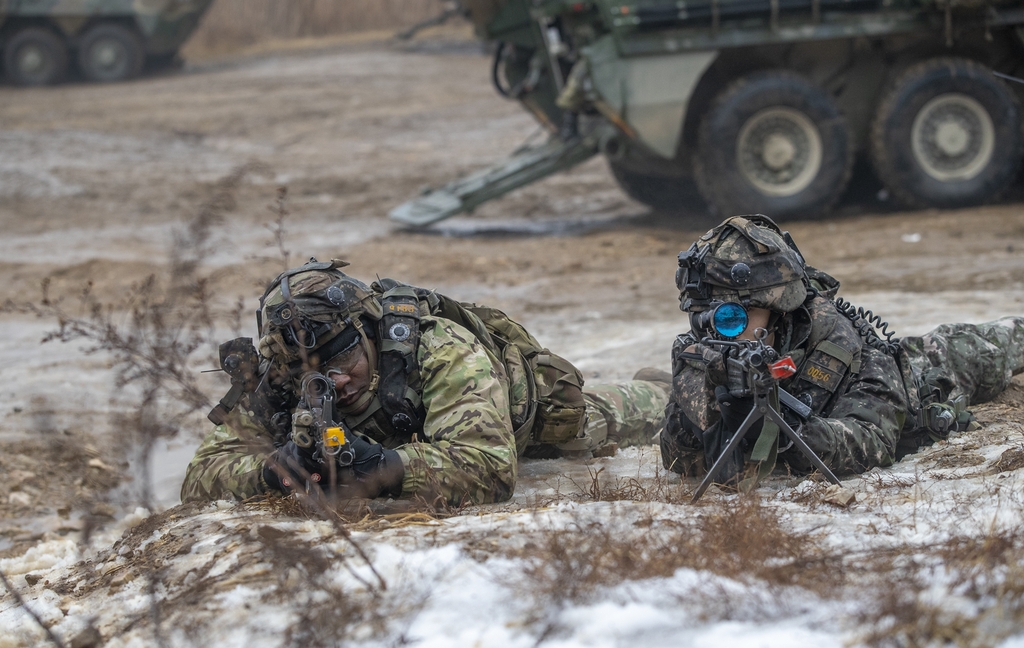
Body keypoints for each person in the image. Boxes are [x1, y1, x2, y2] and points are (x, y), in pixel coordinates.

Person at [181, 259, 670, 505]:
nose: (334, 382)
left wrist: (385, 467)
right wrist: (271, 471)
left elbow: (491, 467)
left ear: (367, 330)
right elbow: (201, 475)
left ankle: (661, 388)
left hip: (531, 418)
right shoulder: (285, 374)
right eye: (313, 375)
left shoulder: (436, 346)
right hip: (422, 439)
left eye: (344, 360)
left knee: (606, 415)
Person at [660, 214, 1024, 487]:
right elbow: (679, 456)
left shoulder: (843, 347)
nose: (716, 334)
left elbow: (872, 440)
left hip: (922, 370)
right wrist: (704, 411)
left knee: (991, 345)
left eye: (730, 318)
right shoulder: (709, 354)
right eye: (702, 319)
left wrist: (789, 437)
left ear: (779, 311)